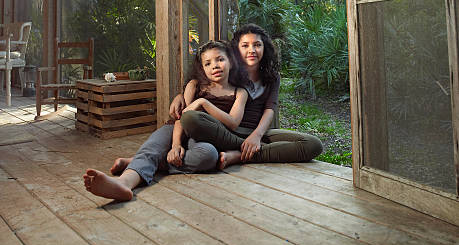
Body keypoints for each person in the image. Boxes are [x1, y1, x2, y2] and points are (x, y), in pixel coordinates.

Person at [83, 40, 247, 201]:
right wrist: (176, 145)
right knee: (155, 145)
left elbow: (233, 123)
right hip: (176, 129)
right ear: (202, 69)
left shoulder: (239, 92)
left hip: (203, 139)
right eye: (208, 63)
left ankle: (141, 161)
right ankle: (124, 183)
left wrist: (203, 103)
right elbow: (181, 118)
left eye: (220, 59)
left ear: (231, 62)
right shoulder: (194, 85)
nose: (215, 66)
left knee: (209, 156)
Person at [180, 24, 323, 168]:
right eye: (245, 45)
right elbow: (203, 84)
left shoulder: (272, 77)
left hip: (257, 130)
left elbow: (270, 108)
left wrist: (256, 136)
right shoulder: (229, 70)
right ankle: (245, 148)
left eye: (257, 45)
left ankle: (238, 155)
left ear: (264, 48)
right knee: (191, 119)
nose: (252, 50)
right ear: (236, 49)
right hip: (225, 132)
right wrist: (180, 97)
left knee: (313, 144)